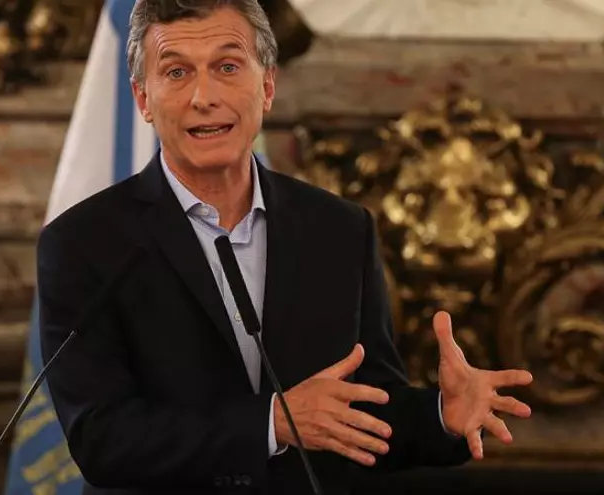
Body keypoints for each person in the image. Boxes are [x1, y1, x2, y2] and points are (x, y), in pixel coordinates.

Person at [37, 1, 534, 493]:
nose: (203, 96)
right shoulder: (84, 244)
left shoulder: (339, 229)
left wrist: (441, 415)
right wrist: (271, 423)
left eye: (228, 67)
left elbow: (359, 411)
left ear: (268, 85)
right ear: (143, 99)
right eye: (177, 72)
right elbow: (102, 439)